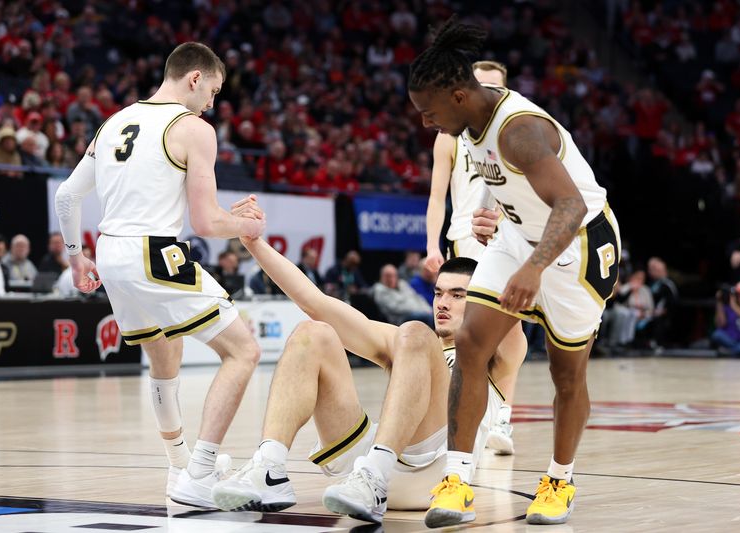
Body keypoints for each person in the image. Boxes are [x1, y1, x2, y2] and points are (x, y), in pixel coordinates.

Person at [409, 18, 621, 526]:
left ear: (459, 96)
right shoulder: (467, 125)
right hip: (520, 237)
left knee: (565, 373)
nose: (424, 123)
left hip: (579, 244)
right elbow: (516, 187)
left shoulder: (519, 130)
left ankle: (559, 481)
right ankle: (457, 481)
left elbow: (569, 205)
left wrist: (533, 266)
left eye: (428, 112)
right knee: (471, 344)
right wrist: (496, 213)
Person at [53, 42, 265, 508]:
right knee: (244, 351)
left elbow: (67, 197)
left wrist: (76, 258)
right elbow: (207, 223)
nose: (212, 102)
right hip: (154, 254)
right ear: (194, 79)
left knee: (164, 357)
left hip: (110, 255)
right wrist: (247, 225)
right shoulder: (193, 128)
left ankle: (179, 469)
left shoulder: (113, 122)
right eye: (212, 90)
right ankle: (202, 474)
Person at [211, 215, 521, 524]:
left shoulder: (495, 352)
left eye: (458, 295)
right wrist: (254, 243)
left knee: (414, 332)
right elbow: (315, 302)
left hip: (433, 477)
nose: (442, 303)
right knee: (312, 332)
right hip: (360, 470)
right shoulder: (409, 343)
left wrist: (500, 243)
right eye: (439, 293)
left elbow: (515, 301)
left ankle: (375, 473)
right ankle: (270, 467)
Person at [424, 59, 529, 457]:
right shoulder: (448, 136)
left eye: (493, 86)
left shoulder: (515, 137)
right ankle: (460, 415)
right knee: (462, 338)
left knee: (510, 328)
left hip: (504, 243)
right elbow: (436, 197)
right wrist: (433, 245)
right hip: (461, 244)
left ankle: (501, 413)